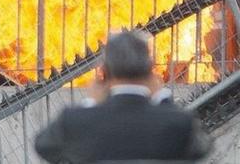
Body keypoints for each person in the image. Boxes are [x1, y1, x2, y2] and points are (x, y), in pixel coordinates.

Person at [35, 31, 213, 163]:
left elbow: (44, 146)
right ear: (150, 73)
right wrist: (162, 98)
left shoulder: (75, 121)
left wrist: (90, 104)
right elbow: (201, 149)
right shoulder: (178, 122)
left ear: (103, 73)